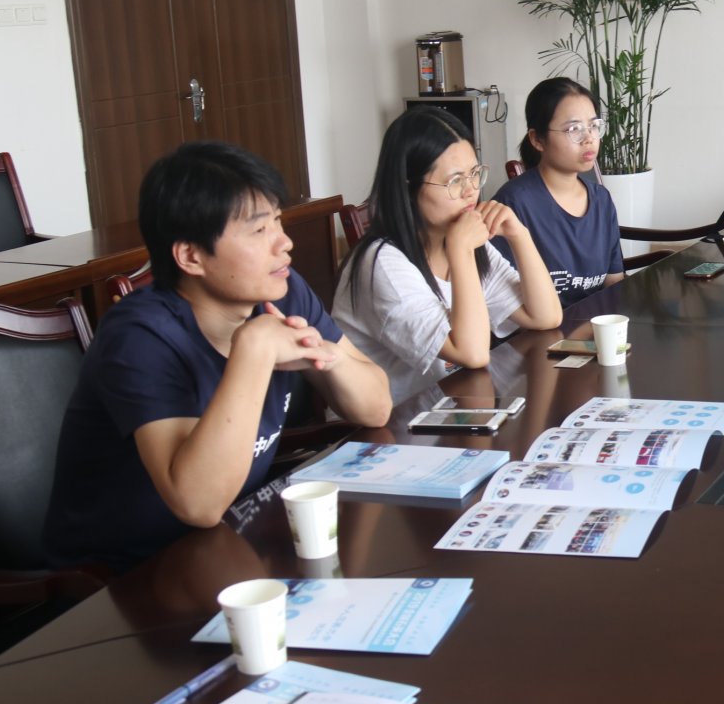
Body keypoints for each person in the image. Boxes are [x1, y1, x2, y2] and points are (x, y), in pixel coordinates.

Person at [45, 142, 392, 570]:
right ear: (191, 256)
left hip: (232, 541)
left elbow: (376, 408)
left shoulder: (280, 291)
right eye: (259, 230)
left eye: (278, 221)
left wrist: (329, 357)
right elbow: (198, 504)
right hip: (126, 576)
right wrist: (255, 350)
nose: (284, 243)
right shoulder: (139, 336)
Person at [334, 106, 562, 404]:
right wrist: (461, 251)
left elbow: (545, 316)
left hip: (448, 405)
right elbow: (472, 354)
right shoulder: (382, 264)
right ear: (408, 188)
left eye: (474, 175)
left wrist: (520, 235)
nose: (470, 191)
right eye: (455, 181)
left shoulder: (460, 239)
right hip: (389, 422)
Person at [488, 77, 625, 306]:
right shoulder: (513, 204)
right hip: (543, 327)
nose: (589, 138)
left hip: (597, 324)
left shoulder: (602, 199)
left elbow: (613, 283)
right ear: (537, 139)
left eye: (593, 126)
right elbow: (504, 303)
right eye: (574, 129)